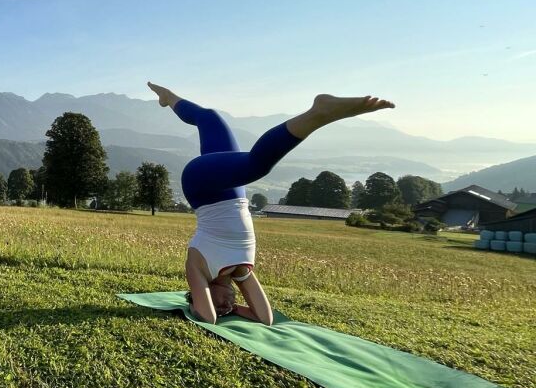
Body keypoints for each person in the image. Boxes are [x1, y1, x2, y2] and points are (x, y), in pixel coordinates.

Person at [147, 83, 394, 325]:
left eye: (221, 305)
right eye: (229, 307)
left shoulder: (199, 267)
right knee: (209, 118)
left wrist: (207, 308)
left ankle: (319, 112)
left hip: (200, 186)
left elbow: (207, 317)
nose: (228, 305)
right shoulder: (241, 273)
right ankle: (168, 98)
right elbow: (264, 318)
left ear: (206, 295)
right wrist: (234, 309)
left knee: (255, 165)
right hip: (233, 193)